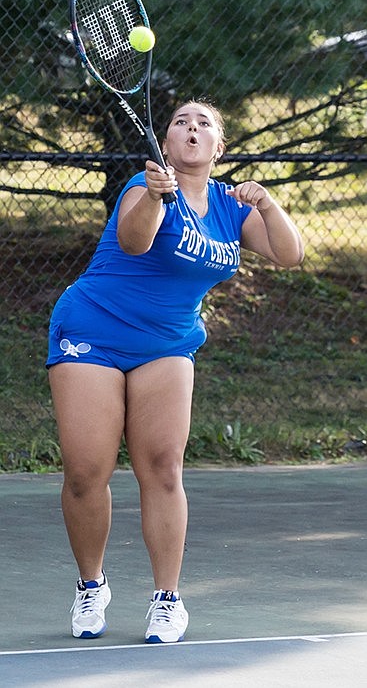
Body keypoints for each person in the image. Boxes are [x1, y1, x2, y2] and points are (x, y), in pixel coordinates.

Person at [47, 98, 304, 644]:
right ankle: (91, 585)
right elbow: (134, 240)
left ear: (219, 147)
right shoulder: (145, 190)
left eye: (203, 123)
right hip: (94, 327)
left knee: (163, 467)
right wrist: (155, 197)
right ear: (166, 142)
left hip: (167, 343)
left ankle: (167, 599)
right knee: (86, 470)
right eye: (181, 122)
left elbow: (289, 255)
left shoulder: (232, 208)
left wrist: (269, 204)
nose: (191, 128)